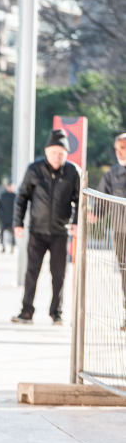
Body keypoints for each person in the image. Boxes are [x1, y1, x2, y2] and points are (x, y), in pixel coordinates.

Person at [11, 129, 81, 326]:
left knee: (59, 274)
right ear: (47, 151)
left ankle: (56, 312)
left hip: (60, 232)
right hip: (37, 231)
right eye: (54, 152)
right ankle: (26, 311)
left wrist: (75, 223)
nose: (57, 157)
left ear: (66, 154)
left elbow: (79, 200)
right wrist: (18, 223)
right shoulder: (34, 169)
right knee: (32, 272)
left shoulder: (73, 171)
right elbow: (21, 197)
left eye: (61, 153)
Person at [94, 134, 126, 330]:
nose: (120, 152)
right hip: (121, 232)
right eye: (117, 148)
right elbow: (99, 203)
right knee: (125, 274)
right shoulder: (112, 174)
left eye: (123, 147)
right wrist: (93, 215)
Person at [0, 182, 16, 253]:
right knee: (2, 233)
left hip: (12, 218)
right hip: (4, 218)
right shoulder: (3, 195)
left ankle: (12, 248)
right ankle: (3, 247)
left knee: (13, 234)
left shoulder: (15, 196)